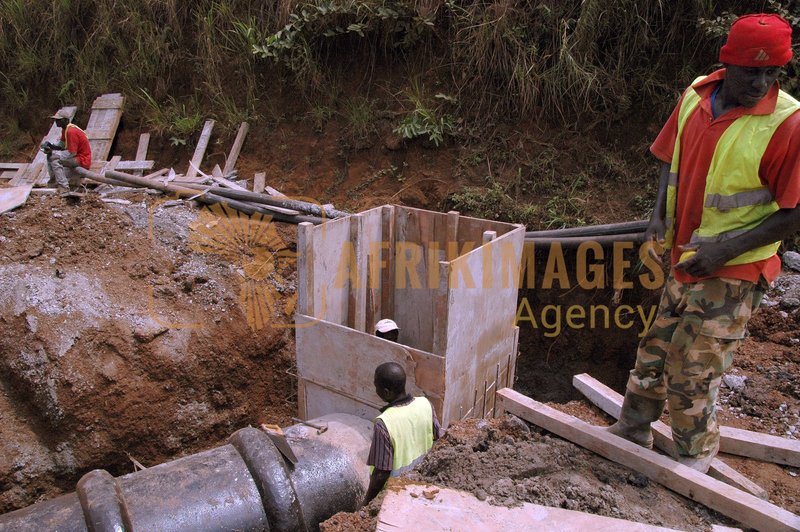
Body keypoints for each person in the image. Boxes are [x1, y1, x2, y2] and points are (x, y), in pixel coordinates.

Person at [608, 13, 800, 473]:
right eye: (751, 71)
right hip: (685, 257)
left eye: (771, 72)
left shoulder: (785, 124)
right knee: (655, 349)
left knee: (694, 368)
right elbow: (667, 159)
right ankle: (632, 427)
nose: (761, 83)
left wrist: (723, 251)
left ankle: (694, 458)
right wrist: (658, 220)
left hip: (733, 270)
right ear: (726, 65)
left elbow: (794, 211)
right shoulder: (696, 96)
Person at [364, 362, 443, 503]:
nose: (376, 390)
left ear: (387, 392)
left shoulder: (385, 423)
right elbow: (438, 439)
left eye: (377, 387)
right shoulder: (425, 404)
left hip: (396, 493)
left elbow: (381, 473)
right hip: (423, 484)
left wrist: (367, 502)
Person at [42, 110, 92, 191]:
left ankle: (64, 186)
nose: (56, 122)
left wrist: (56, 156)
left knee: (55, 160)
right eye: (56, 120)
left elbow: (72, 153)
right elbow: (61, 145)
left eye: (59, 120)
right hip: (75, 157)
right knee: (50, 156)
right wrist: (51, 146)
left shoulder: (71, 131)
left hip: (82, 159)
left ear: (66, 120)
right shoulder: (65, 129)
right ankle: (53, 181)